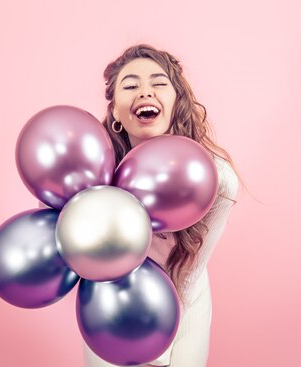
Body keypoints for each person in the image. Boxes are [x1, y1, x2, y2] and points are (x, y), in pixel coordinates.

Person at [82, 44, 240, 367]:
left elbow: (190, 270)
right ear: (115, 113)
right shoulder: (95, 172)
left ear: (175, 102)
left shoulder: (214, 178)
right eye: (130, 86)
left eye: (158, 83)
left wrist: (161, 345)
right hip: (109, 304)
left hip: (184, 297)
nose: (145, 92)